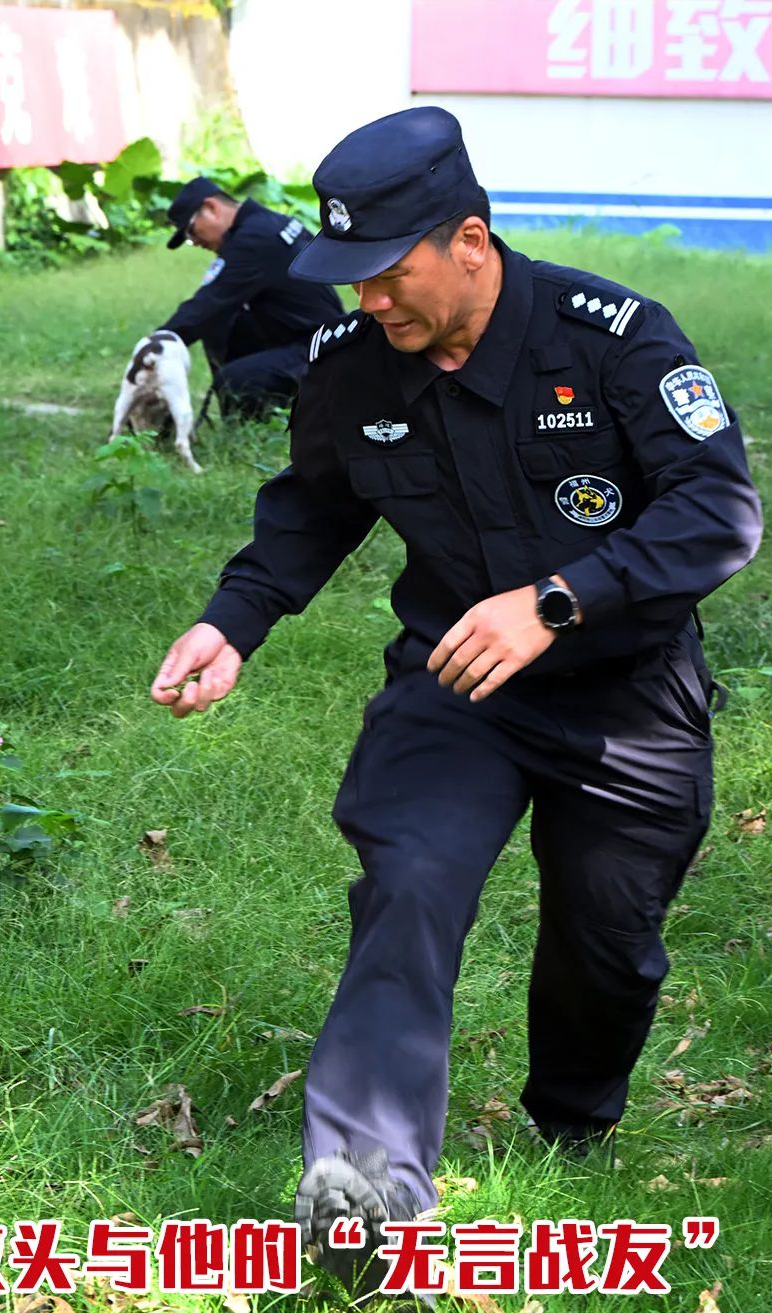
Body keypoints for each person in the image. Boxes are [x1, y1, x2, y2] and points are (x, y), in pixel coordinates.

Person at [150, 108, 762, 1291]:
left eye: (387, 274)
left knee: (608, 946)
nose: (367, 301)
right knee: (410, 877)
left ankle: (574, 1117)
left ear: (469, 239)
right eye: (352, 279)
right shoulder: (349, 366)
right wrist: (234, 620)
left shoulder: (617, 337)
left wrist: (559, 598)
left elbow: (717, 510)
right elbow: (312, 510)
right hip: (457, 684)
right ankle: (368, 1181)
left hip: (624, 692)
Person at [161, 176, 343, 419]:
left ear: (212, 208)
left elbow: (209, 304)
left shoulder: (252, 240)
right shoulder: (270, 222)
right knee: (222, 325)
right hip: (311, 334)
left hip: (321, 350)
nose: (195, 241)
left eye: (192, 231)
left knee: (234, 380)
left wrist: (157, 344)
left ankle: (253, 422)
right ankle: (250, 409)